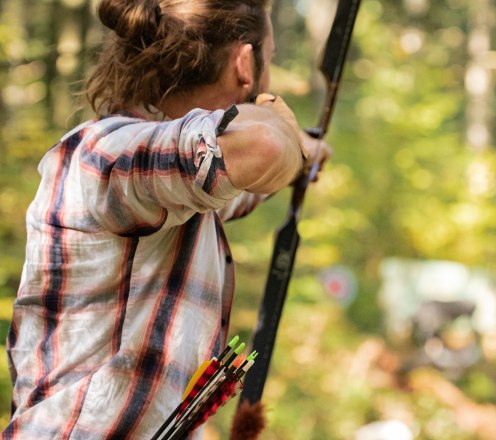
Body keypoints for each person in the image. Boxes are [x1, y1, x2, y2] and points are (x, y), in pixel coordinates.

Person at [3, 0, 328, 438]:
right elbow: (265, 149)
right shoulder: (107, 156)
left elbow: (242, 184)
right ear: (245, 64)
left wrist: (305, 150)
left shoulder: (176, 189)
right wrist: (285, 136)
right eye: (268, 61)